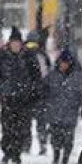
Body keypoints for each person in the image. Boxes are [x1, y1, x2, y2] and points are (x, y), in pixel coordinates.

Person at [0, 27, 42, 164]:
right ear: (9, 43)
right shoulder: (2, 57)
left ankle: (16, 155)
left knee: (21, 129)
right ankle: (7, 152)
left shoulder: (28, 57)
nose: (16, 46)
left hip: (23, 99)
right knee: (7, 128)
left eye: (18, 43)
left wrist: (34, 93)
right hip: (7, 99)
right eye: (14, 43)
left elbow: (36, 77)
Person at [44, 48, 82, 164]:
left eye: (66, 62)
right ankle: (56, 156)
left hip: (70, 112)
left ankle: (65, 159)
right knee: (55, 138)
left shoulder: (76, 77)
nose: (63, 65)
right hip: (55, 112)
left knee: (68, 139)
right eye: (62, 62)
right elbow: (44, 90)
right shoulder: (52, 76)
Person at [24, 28, 52, 156]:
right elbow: (46, 74)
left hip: (28, 94)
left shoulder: (22, 55)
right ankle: (42, 145)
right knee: (40, 122)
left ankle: (27, 146)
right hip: (38, 94)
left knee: (27, 122)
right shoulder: (41, 55)